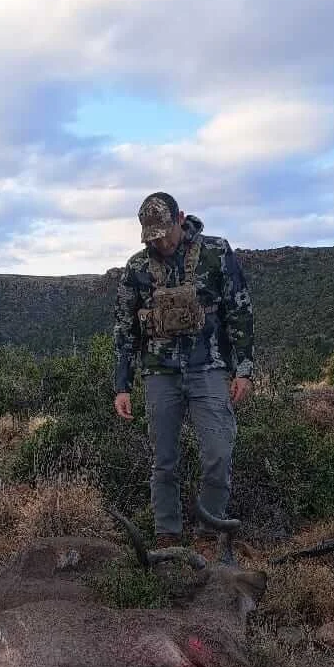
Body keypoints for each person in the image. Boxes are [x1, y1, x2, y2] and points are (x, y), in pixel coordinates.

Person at [113, 192, 254, 547]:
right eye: (152, 236)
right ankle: (167, 536)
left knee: (218, 454)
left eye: (165, 232)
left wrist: (244, 369)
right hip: (159, 373)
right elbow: (125, 328)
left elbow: (239, 311)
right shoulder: (137, 268)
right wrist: (122, 385)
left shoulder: (216, 252)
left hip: (209, 367)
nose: (160, 242)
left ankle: (210, 534)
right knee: (163, 462)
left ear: (181, 219)